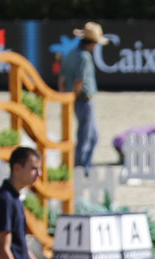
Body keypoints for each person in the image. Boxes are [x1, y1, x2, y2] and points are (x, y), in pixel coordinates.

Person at [62, 21, 109, 176]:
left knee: (92, 136)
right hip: (83, 99)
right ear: (93, 43)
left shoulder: (71, 54)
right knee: (86, 136)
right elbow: (79, 81)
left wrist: (66, 99)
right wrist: (74, 98)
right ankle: (81, 168)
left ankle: (83, 165)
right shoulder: (84, 57)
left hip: (74, 99)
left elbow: (62, 79)